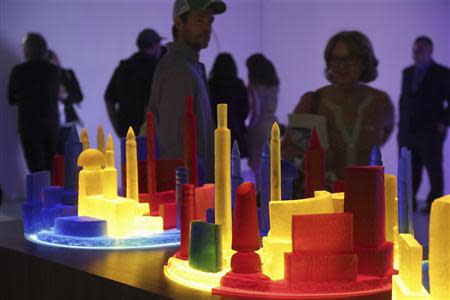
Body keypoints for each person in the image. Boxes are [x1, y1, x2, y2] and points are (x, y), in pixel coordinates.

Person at [282, 31, 394, 196]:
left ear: (364, 62)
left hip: (366, 198)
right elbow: (288, 151)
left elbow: (383, 136)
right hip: (323, 201)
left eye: (350, 59)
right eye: (337, 59)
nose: (342, 66)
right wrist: (310, 160)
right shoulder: (312, 101)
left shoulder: (380, 102)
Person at [146, 0, 227, 183]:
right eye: (199, 20)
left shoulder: (190, 67)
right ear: (179, 22)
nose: (207, 28)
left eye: (209, 21)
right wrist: (188, 195)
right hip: (187, 194)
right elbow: (174, 143)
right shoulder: (178, 70)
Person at [398, 36, 450, 213]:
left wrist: (443, 122)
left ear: (429, 51)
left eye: (419, 50)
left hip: (429, 132)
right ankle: (408, 203)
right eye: (414, 49)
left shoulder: (442, 73)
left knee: (433, 169)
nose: (415, 53)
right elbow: (404, 100)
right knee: (409, 170)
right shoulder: (407, 72)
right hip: (407, 131)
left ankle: (434, 206)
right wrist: (401, 127)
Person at [8, 33, 60, 172]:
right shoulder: (53, 71)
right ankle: (51, 194)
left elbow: (11, 99)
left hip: (29, 126)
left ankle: (38, 194)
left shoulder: (18, 71)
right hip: (51, 125)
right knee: (52, 169)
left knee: (35, 169)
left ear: (29, 49)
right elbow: (58, 95)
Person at [105, 28, 163, 137]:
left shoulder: (123, 67)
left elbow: (108, 99)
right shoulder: (155, 68)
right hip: (147, 137)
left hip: (126, 134)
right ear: (155, 46)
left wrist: (118, 128)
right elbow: (149, 104)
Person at [246, 53, 280, 191]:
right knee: (271, 163)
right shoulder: (274, 83)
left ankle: (261, 195)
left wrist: (249, 129)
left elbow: (256, 110)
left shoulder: (255, 85)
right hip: (272, 123)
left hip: (259, 126)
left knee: (258, 165)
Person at [208, 53, 249, 157]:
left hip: (215, 131)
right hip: (236, 131)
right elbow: (245, 110)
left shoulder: (211, 85)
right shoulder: (238, 85)